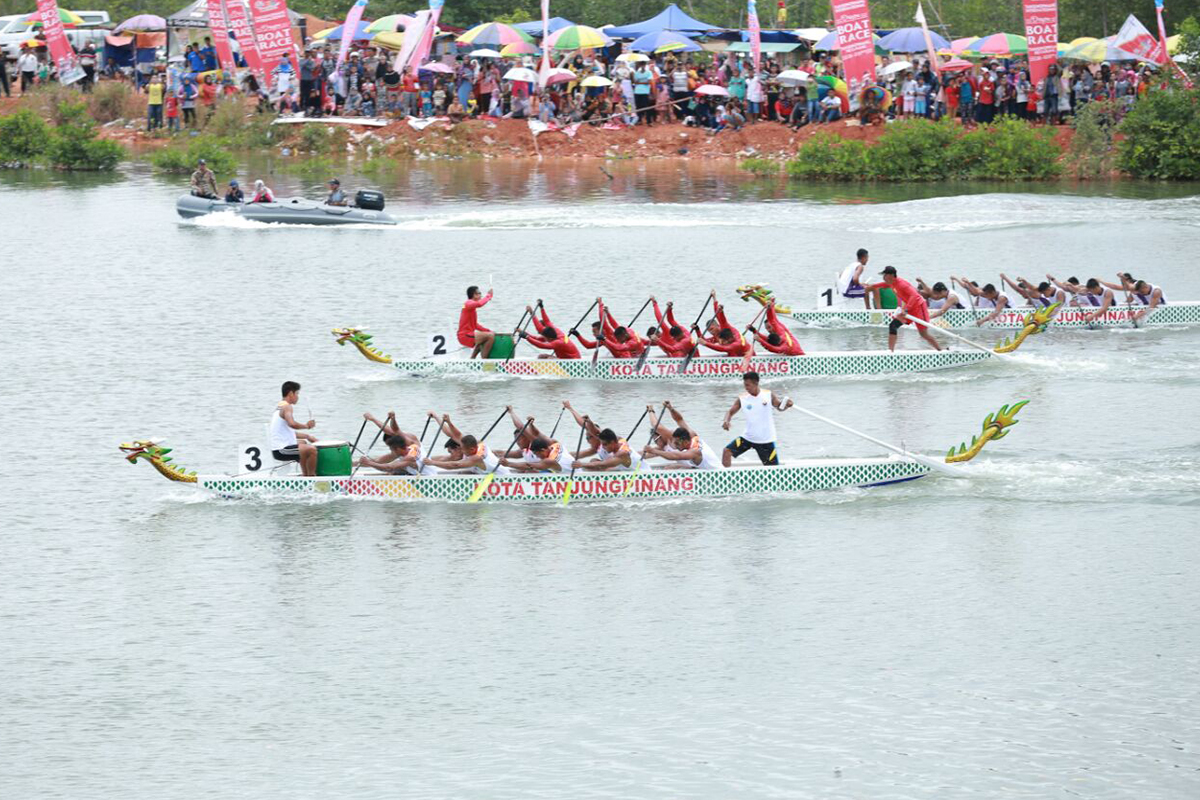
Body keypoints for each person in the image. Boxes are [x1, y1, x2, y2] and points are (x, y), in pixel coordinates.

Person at [861, 267, 942, 351]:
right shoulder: (891, 283)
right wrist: (869, 286)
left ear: (892, 275)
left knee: (924, 334)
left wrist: (906, 309)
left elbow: (914, 295)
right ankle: (890, 352)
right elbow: (881, 285)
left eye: (885, 275)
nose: (884, 277)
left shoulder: (901, 284)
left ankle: (940, 350)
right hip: (909, 309)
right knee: (893, 326)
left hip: (919, 307)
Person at [721, 371, 792, 467]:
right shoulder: (742, 398)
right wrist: (726, 421)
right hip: (748, 438)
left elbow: (779, 407)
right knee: (727, 452)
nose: (746, 388)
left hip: (766, 440)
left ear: (756, 383)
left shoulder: (768, 394)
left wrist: (787, 405)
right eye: (745, 385)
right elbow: (729, 412)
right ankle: (727, 478)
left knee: (773, 470)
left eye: (748, 385)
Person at [642, 402, 723, 470]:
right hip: (703, 471)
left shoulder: (695, 451)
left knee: (673, 467)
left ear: (685, 441)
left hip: (717, 476)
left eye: (677, 443)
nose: (676, 447)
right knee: (672, 467)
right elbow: (679, 420)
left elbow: (676, 456)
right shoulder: (691, 436)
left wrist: (654, 451)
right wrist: (671, 409)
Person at [269, 381, 317, 476]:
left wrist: (307, 436)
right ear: (291, 393)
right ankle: (312, 478)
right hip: (281, 450)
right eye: (297, 393)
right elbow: (292, 424)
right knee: (312, 450)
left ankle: (305, 474)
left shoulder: (279, 406)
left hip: (279, 448)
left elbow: (289, 432)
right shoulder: (287, 407)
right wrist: (306, 426)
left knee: (303, 443)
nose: (298, 397)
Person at [458, 284, 495, 359]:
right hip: (465, 336)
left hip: (467, 335)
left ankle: (472, 358)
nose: (481, 295)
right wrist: (488, 296)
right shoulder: (468, 303)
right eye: (479, 293)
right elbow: (480, 304)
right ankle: (484, 360)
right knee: (490, 337)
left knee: (486, 336)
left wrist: (488, 330)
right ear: (473, 295)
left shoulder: (472, 307)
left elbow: (475, 325)